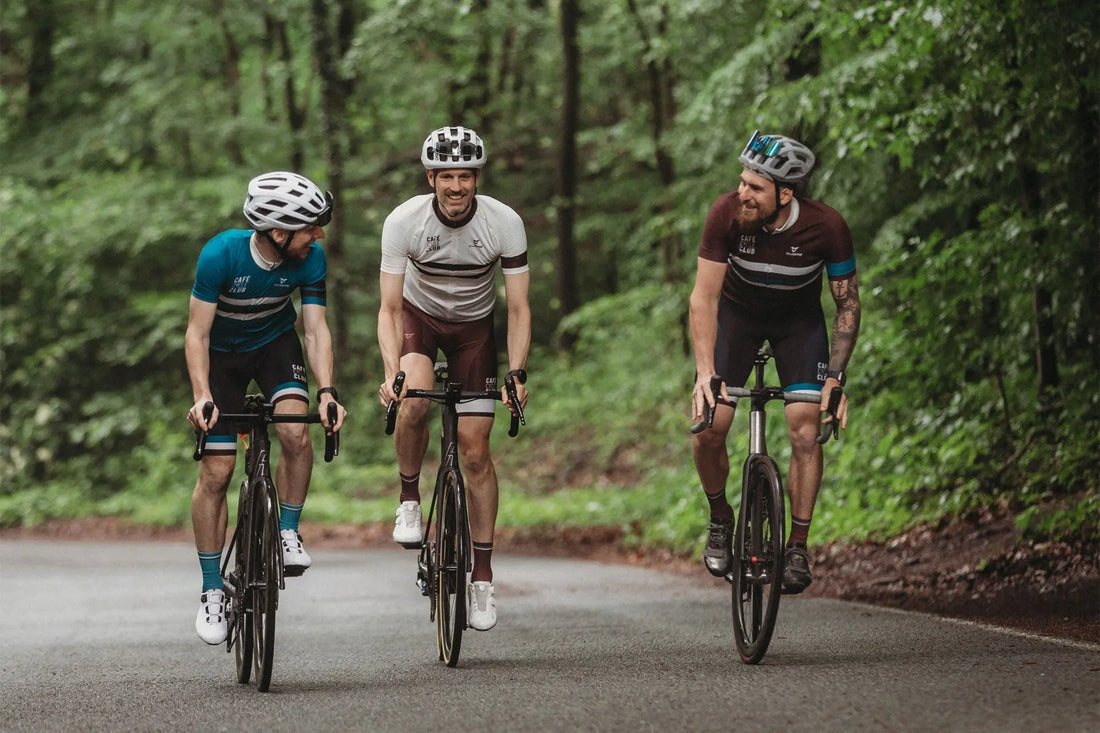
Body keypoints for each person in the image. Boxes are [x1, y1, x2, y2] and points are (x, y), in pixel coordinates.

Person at [688, 130, 860, 593]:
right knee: (709, 427)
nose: (742, 193)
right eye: (742, 181)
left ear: (786, 194)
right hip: (737, 319)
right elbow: (703, 299)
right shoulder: (726, 213)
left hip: (797, 325)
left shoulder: (827, 227)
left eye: (756, 188)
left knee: (806, 428)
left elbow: (847, 305)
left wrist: (836, 378)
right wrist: (705, 373)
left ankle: (798, 546)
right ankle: (721, 517)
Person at [377, 125, 530, 632]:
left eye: (466, 175)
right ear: (431, 177)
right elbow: (389, 307)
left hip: (474, 332)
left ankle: (482, 577)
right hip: (418, 322)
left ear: (477, 178)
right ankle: (408, 498)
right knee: (415, 399)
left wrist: (517, 372)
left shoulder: (503, 223)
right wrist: (390, 372)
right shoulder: (404, 221)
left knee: (474, 450)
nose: (457, 186)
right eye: (447, 176)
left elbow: (519, 308)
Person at [185, 171, 347, 644]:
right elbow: (196, 334)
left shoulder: (309, 260)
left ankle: (287, 531)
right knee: (217, 472)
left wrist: (327, 391)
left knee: (296, 432)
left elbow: (315, 331)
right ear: (279, 232)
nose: (318, 235)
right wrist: (202, 395)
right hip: (222, 361)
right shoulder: (221, 254)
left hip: (276, 347)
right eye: (311, 227)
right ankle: (213, 589)